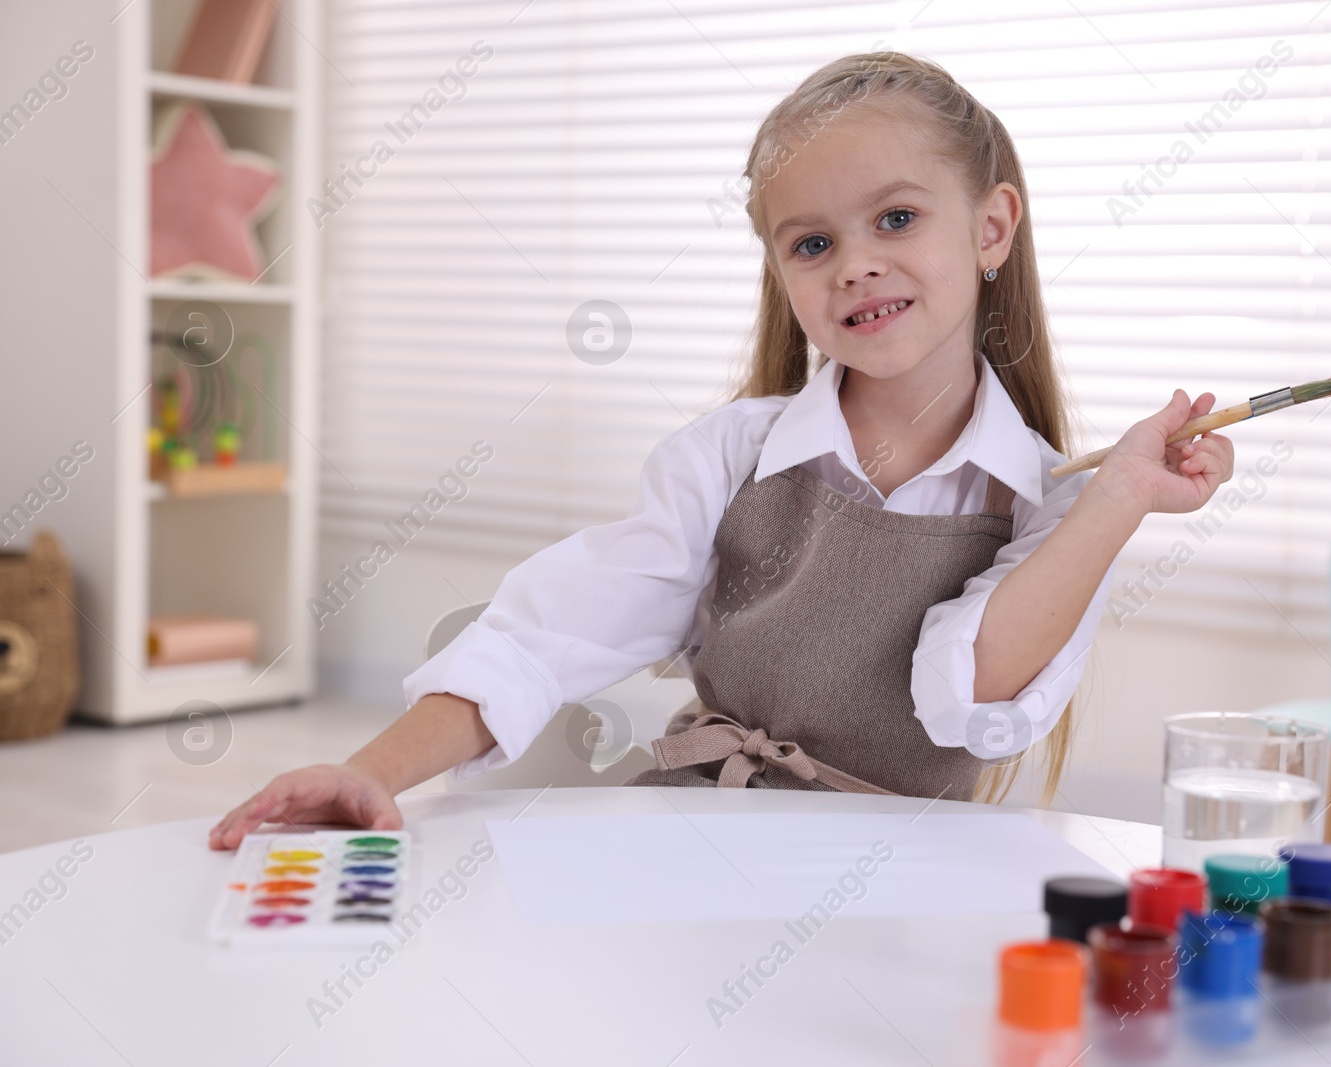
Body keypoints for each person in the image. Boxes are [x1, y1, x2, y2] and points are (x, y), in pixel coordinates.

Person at [209, 51, 1233, 850]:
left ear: (992, 226)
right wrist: (370, 771)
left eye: (897, 217)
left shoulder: (1060, 507)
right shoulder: (727, 455)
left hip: (906, 878)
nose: (857, 263)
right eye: (812, 241)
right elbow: (541, 635)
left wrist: (1121, 500)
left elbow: (962, 692)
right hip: (694, 835)